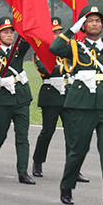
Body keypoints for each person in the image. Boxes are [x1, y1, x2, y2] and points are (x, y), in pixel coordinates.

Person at [50, 5, 103, 205]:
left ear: (102, 24)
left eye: (97, 20)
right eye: (89, 20)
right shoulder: (75, 46)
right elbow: (54, 49)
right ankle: (67, 186)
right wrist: (71, 30)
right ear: (83, 25)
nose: (94, 23)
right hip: (82, 106)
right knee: (78, 150)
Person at [32, 17, 88, 183]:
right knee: (47, 132)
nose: (57, 35)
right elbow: (45, 70)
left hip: (68, 95)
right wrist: (66, 68)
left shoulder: (66, 50)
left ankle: (73, 169)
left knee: (72, 134)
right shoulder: (41, 52)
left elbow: (77, 64)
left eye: (59, 32)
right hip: (51, 96)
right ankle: (38, 162)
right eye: (54, 32)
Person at [0, 17, 36, 185]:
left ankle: (23, 172)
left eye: (11, 32)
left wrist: (24, 22)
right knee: (0, 135)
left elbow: (27, 38)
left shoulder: (18, 50)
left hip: (21, 99)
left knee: (22, 137)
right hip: (4, 101)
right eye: (5, 32)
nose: (10, 35)